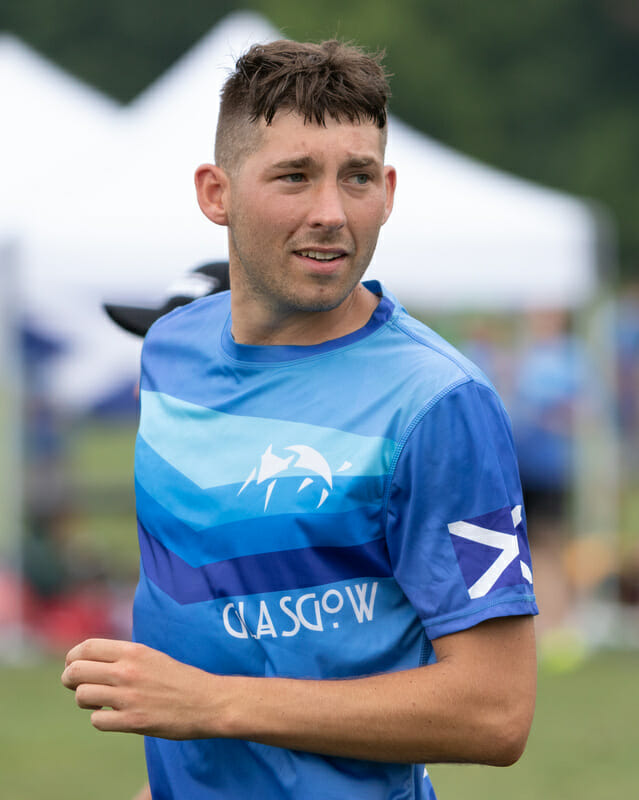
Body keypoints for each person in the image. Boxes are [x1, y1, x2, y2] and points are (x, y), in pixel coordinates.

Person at [62, 39, 538, 800]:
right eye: (293, 176)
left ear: (386, 190)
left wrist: (212, 704)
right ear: (215, 193)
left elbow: (495, 714)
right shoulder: (170, 350)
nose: (330, 213)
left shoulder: (438, 402)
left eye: (356, 179)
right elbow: (203, 602)